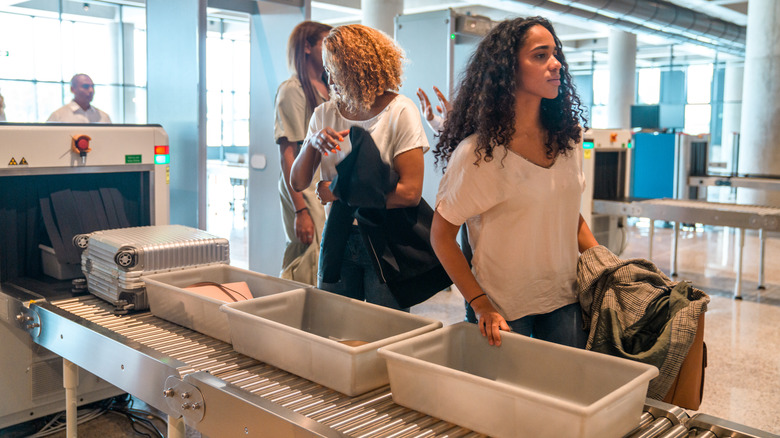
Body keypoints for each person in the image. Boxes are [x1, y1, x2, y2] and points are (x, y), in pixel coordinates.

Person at [430, 16, 598, 348]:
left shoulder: (569, 139)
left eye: (556, 54)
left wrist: (611, 269)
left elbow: (568, 217)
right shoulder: (480, 154)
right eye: (540, 55)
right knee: (505, 400)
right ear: (509, 69)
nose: (556, 65)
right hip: (504, 309)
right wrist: (480, 305)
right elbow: (442, 236)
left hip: (565, 297)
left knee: (562, 396)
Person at [290, 24, 430, 310]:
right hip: (338, 236)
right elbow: (298, 181)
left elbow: (410, 192)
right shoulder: (324, 113)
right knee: (334, 327)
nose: (327, 77)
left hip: (386, 240)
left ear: (358, 68)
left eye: (335, 68)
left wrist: (340, 194)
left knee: (385, 334)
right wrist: (312, 144)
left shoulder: (400, 111)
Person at [274, 21, 332, 285]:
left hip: (322, 187)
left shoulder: (328, 87)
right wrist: (300, 210)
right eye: (326, 43)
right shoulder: (293, 90)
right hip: (303, 189)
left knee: (320, 257)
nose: (332, 50)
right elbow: (288, 153)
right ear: (307, 47)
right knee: (305, 259)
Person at [47, 74, 112, 123]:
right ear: (72, 89)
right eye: (85, 86)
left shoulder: (104, 117)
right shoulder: (58, 116)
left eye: (92, 86)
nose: (91, 90)